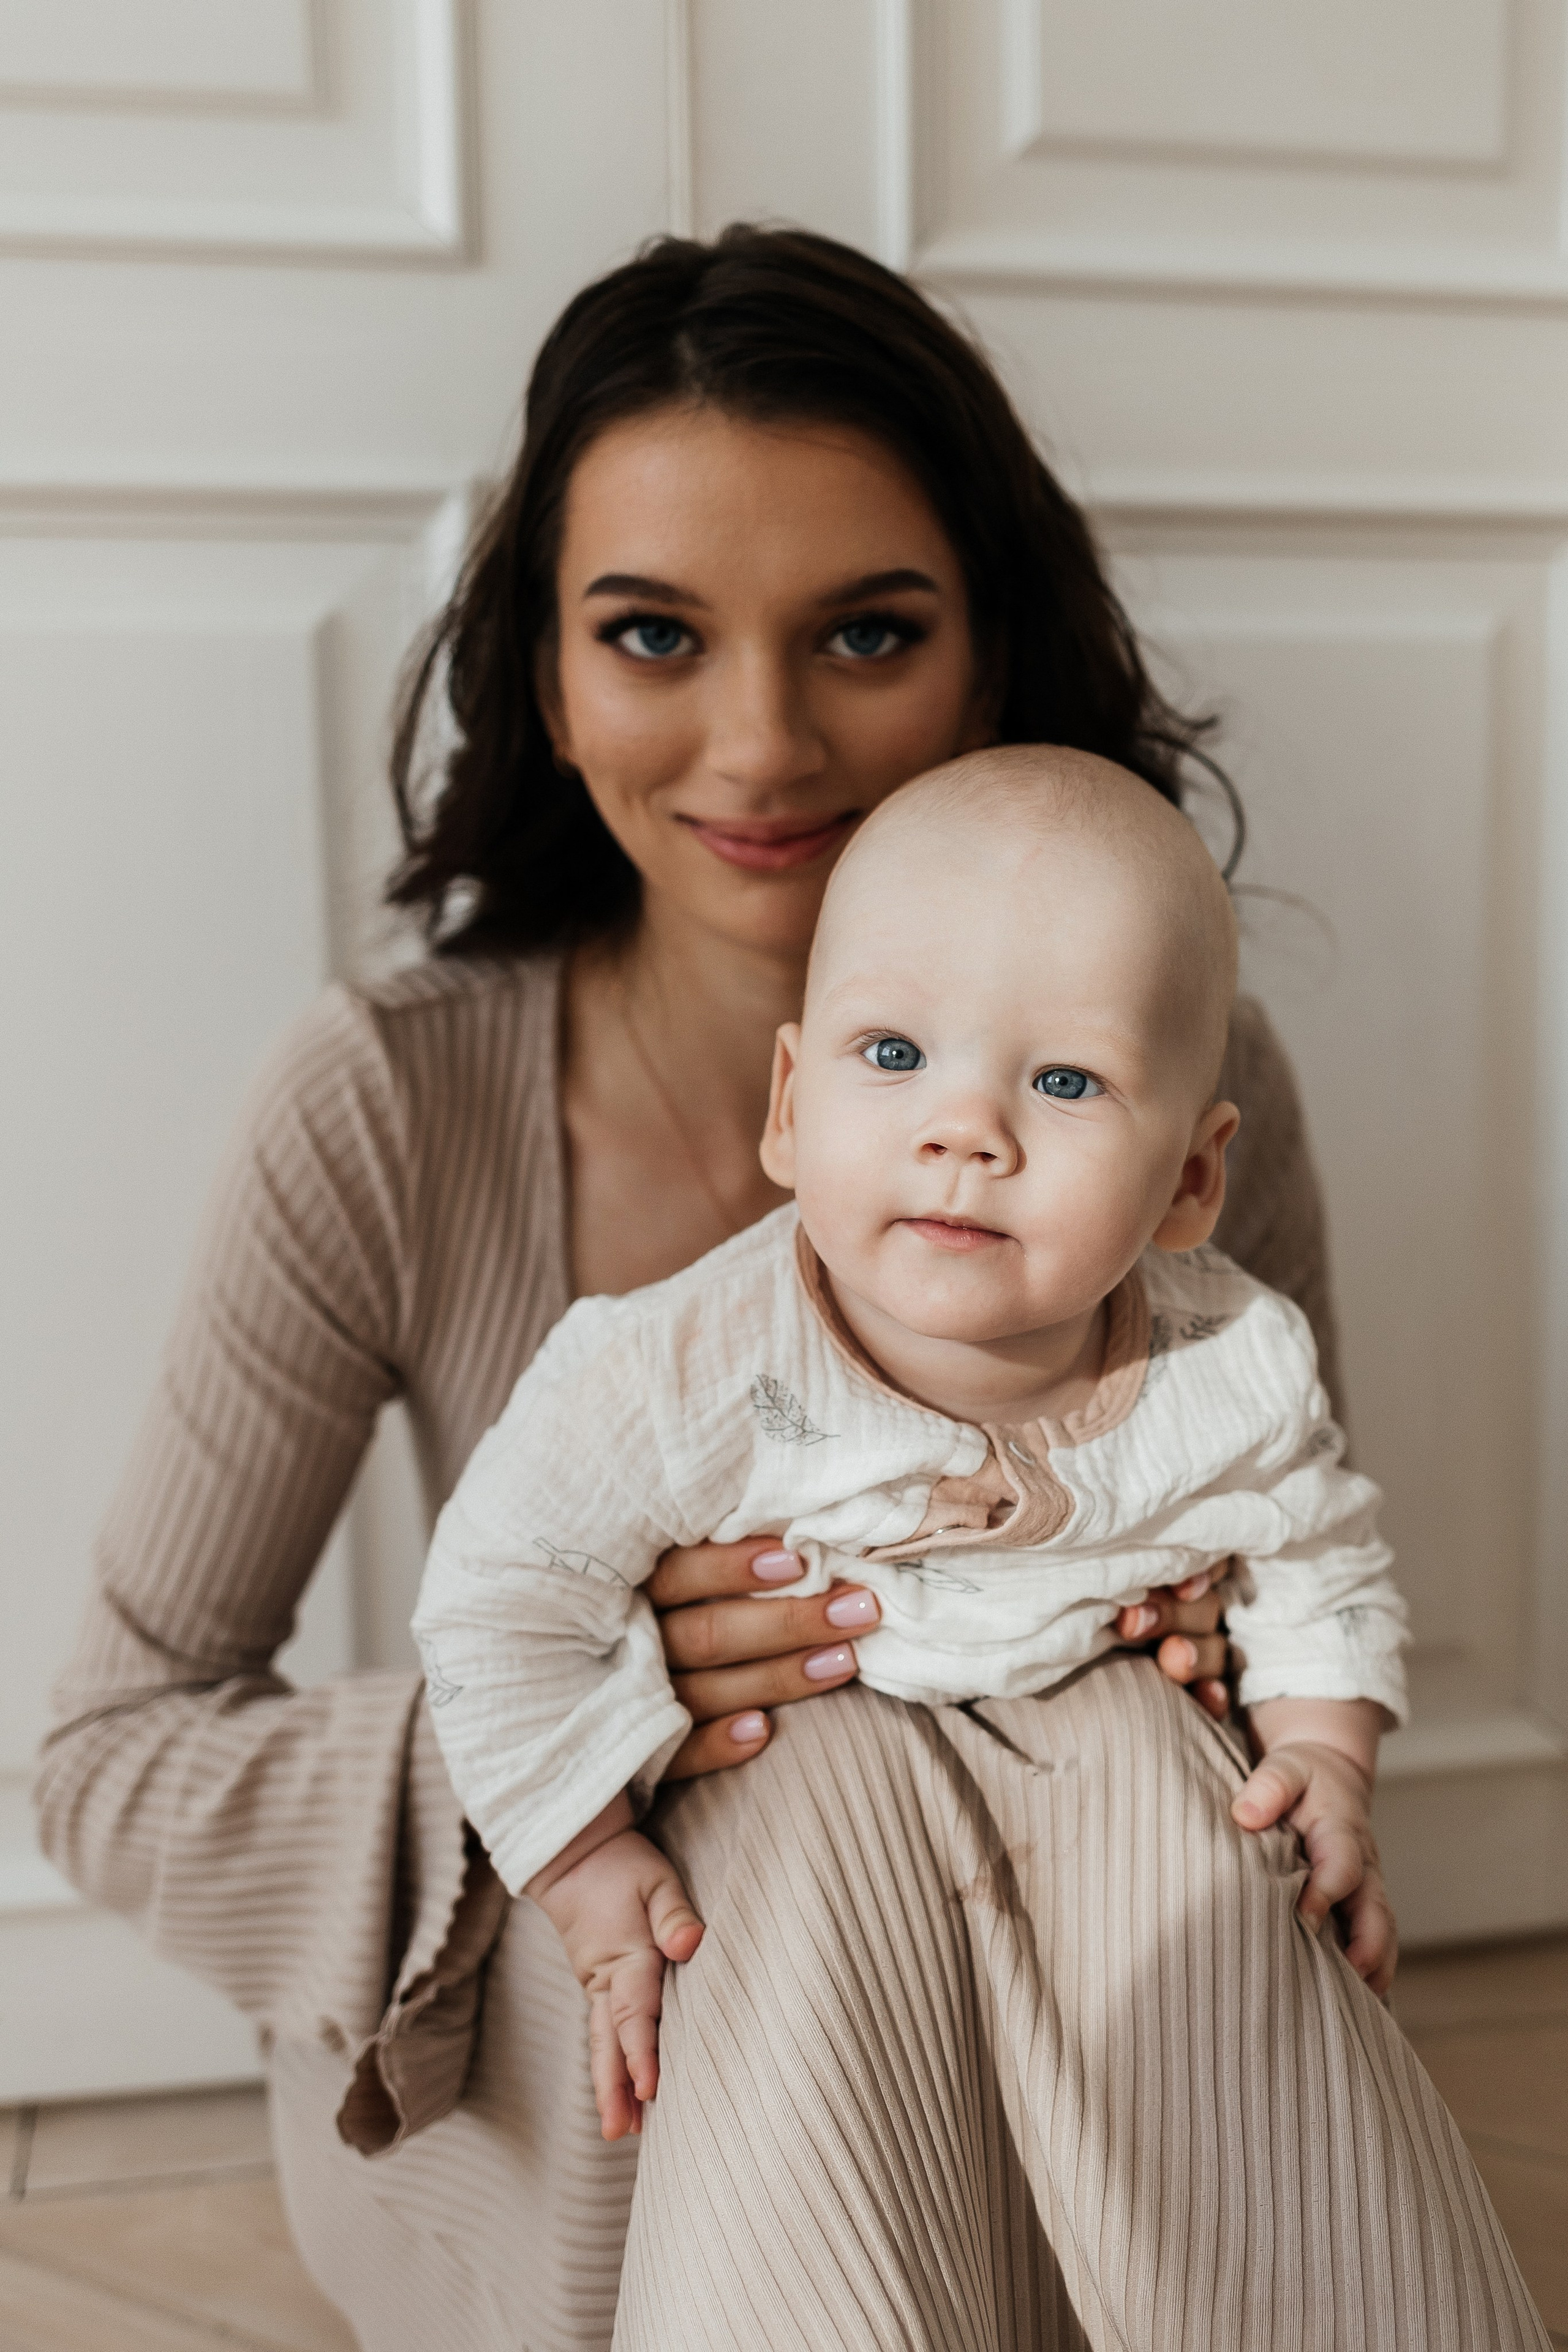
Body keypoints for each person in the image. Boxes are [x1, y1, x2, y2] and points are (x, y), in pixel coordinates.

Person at [37, 226, 1537, 2348]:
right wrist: (598, 1710)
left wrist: (1209, 1664)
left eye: (866, 633)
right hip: (603, 2015)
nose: (761, 745)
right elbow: (110, 1757)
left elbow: (1285, 1555)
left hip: (1075, 2020)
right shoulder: (385, 1105)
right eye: (653, 633)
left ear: (988, 659)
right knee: (803, 1783)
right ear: (545, 679)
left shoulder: (1181, 1098)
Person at [415, 747, 1409, 2147]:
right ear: (789, 1106)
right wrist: (585, 1866)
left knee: (1244, 1950)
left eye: (1063, 1080)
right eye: (891, 1056)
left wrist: (1324, 1754)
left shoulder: (1229, 1363)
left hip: (1118, 1869)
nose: (964, 1132)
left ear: (1191, 1178)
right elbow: (499, 1594)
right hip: (815, 1877)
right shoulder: (671, 1373)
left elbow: (1319, 1558)